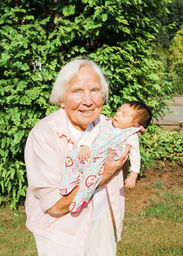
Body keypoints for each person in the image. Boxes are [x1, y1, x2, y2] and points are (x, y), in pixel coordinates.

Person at [24, 57, 138, 256]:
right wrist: (104, 172)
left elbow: (122, 167)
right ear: (61, 99)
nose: (88, 100)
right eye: (77, 91)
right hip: (60, 230)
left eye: (95, 91)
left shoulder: (108, 126)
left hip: (102, 220)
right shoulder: (45, 134)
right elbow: (54, 207)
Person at [60, 101, 152, 213]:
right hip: (91, 154)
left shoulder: (131, 135)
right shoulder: (106, 123)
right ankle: (69, 182)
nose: (118, 113)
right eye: (119, 110)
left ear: (134, 125)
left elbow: (135, 157)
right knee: (71, 157)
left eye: (124, 114)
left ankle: (81, 199)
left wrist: (133, 175)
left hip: (102, 161)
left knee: (90, 179)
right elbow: (92, 133)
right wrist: (85, 147)